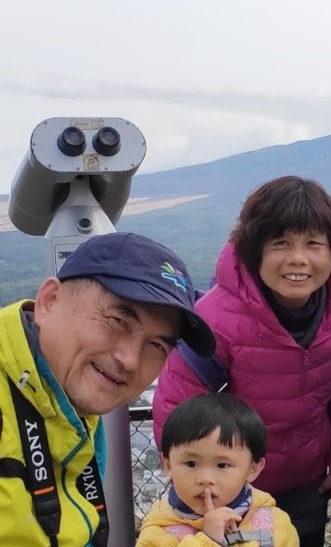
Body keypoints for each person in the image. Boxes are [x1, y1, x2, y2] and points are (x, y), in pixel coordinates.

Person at [154, 176, 331, 547]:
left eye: (313, 243)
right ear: (254, 250)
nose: (298, 258)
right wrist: (203, 493)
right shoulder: (217, 319)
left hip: (308, 480)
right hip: (232, 491)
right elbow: (177, 412)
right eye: (280, 243)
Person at [0, 232, 215, 547]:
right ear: (50, 301)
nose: (130, 359)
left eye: (157, 345)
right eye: (116, 320)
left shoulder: (70, 406)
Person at [138, 393, 300, 546]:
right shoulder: (158, 532)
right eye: (191, 464)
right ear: (168, 465)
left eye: (222, 465)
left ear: (252, 469)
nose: (205, 478)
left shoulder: (274, 524)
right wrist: (208, 541)